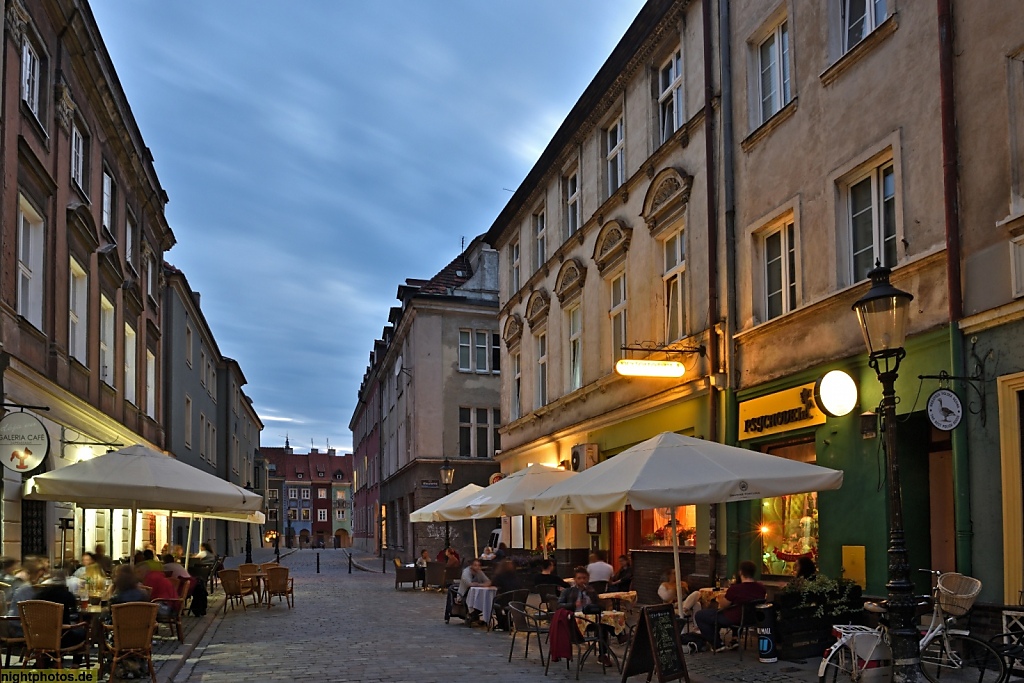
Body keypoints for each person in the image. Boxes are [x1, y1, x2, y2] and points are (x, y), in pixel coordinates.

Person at [694, 560, 766, 651]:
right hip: (752, 618)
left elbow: (724, 605)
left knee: (701, 615)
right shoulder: (761, 588)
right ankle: (734, 639)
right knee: (723, 613)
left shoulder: (736, 589)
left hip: (735, 618)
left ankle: (717, 644)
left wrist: (720, 599)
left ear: (740, 572)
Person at [559, 567, 613, 667]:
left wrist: (594, 599)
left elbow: (599, 605)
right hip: (574, 622)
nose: (582, 580)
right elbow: (559, 605)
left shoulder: (591, 591)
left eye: (584, 578)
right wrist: (573, 605)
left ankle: (603, 655)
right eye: (579, 578)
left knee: (603, 625)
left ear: (588, 579)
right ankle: (617, 635)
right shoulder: (568, 591)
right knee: (602, 626)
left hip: (591, 620)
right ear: (575, 579)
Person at [34, 571, 86, 649]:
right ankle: (77, 661)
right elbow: (74, 611)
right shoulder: (67, 595)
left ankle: (46, 658)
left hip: (39, 637)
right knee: (82, 631)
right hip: (63, 637)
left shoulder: (38, 595)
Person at [458, 559, 491, 625]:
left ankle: (474, 616)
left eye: (479, 565)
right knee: (479, 601)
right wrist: (482, 585)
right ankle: (473, 616)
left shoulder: (479, 572)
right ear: (471, 566)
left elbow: (488, 582)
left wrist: (480, 584)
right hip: (464, 594)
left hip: (478, 594)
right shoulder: (466, 572)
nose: (477, 567)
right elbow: (469, 584)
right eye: (475, 565)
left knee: (485, 601)